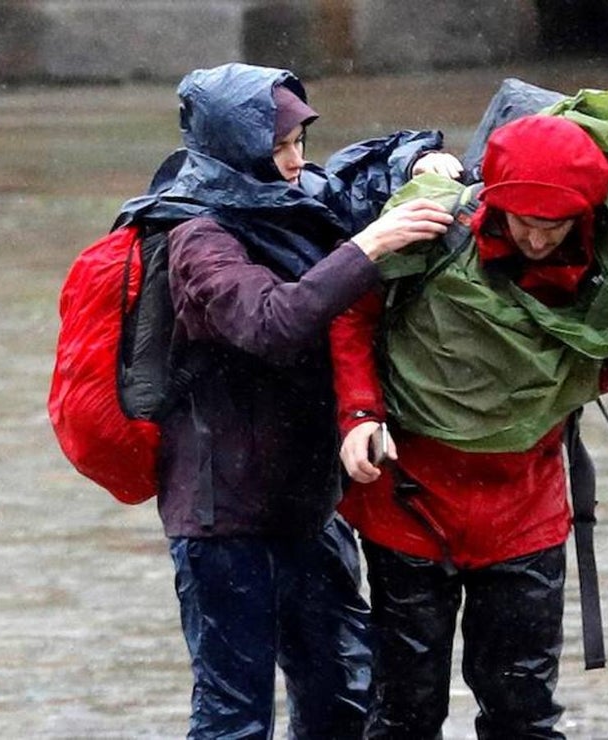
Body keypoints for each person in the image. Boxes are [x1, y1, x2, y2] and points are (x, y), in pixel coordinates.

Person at [118, 63, 458, 739]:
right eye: (280, 146)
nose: (296, 161)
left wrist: (426, 159)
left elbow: (363, 171)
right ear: (234, 145)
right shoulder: (194, 236)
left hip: (308, 503)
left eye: (300, 141)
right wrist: (369, 246)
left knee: (342, 697)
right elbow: (268, 322)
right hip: (222, 518)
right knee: (233, 716)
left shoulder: (299, 193)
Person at [329, 114, 608, 738]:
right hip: (409, 498)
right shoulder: (433, 231)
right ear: (495, 204)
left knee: (522, 707)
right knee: (406, 706)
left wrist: (545, 382)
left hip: (525, 506)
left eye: (556, 227)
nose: (539, 241)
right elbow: (350, 311)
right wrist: (359, 413)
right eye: (525, 224)